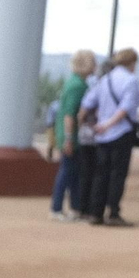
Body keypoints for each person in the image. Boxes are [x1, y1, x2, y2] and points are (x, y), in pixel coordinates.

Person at [79, 47, 139, 227]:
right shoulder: (131, 81)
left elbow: (87, 102)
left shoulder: (105, 80)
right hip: (121, 133)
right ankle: (113, 212)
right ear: (132, 63)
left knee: (100, 174)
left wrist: (89, 124)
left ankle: (96, 212)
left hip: (101, 135)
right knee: (117, 174)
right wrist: (110, 124)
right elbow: (126, 107)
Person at [49, 50, 95, 222]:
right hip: (72, 135)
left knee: (74, 172)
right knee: (67, 172)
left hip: (69, 134)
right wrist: (69, 138)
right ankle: (56, 208)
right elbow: (69, 114)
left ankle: (75, 208)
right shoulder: (78, 86)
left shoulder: (74, 83)